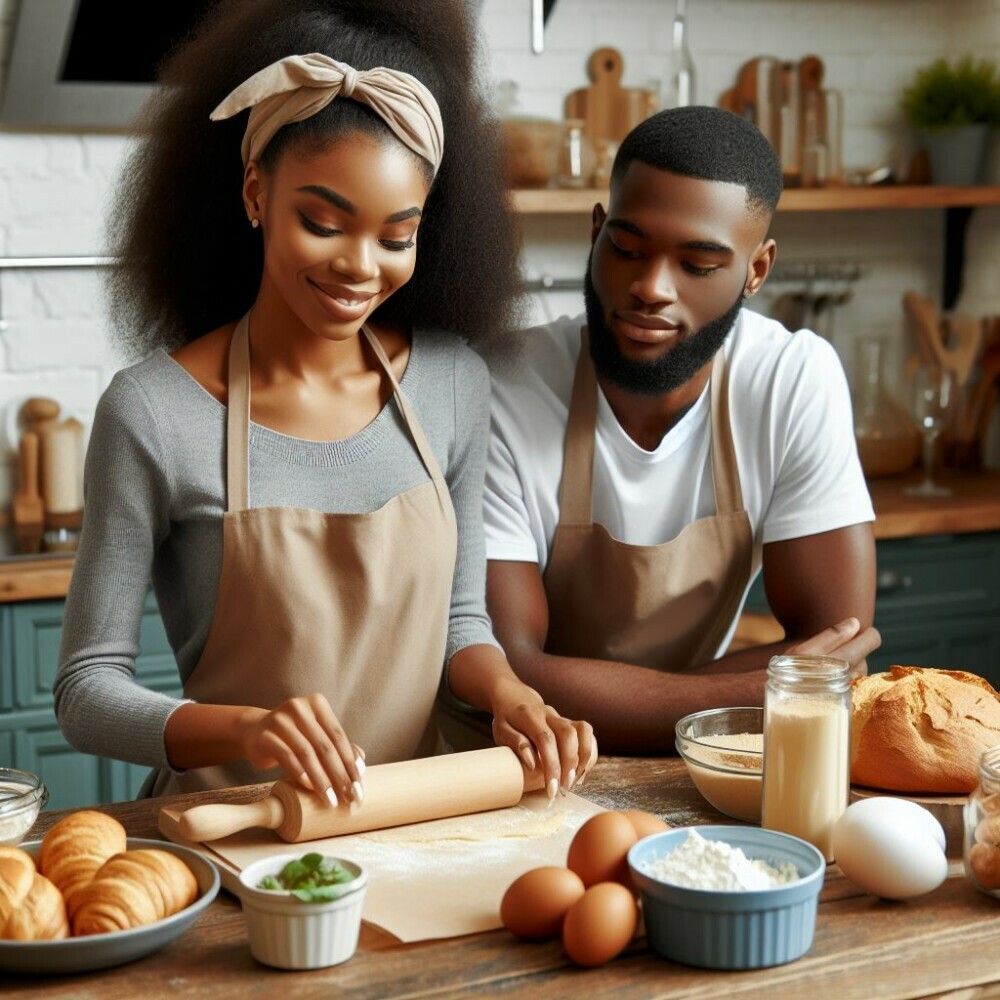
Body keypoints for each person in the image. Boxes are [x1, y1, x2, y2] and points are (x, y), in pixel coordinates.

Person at [53, 0, 594, 806]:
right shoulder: (154, 412)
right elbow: (86, 690)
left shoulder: (451, 383)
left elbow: (460, 625)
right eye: (322, 221)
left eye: (395, 236)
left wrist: (510, 692)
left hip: (411, 821)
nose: (359, 267)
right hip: (231, 831)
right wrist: (246, 729)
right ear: (254, 194)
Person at [479, 105, 881, 754]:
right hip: (523, 759)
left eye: (697, 265)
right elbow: (507, 668)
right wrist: (757, 691)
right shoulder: (506, 383)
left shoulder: (790, 379)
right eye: (628, 248)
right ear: (596, 231)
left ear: (757, 270)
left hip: (702, 770)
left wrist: (630, 700)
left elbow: (842, 645)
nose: (649, 287)